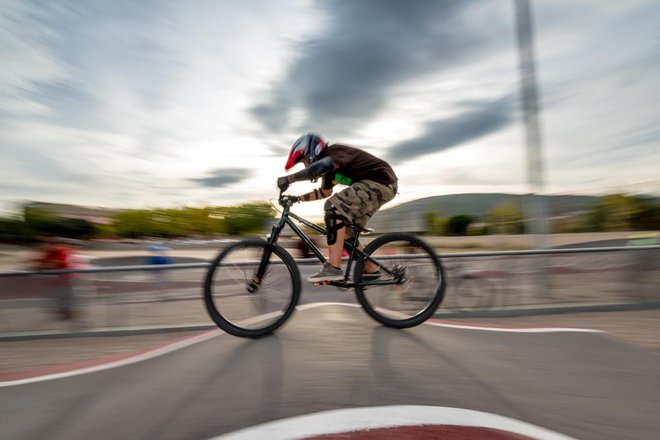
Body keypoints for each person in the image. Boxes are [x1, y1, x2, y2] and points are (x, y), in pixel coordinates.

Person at [277, 133, 398, 282]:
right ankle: (371, 269)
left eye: (304, 162)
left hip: (380, 181)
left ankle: (333, 268)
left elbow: (317, 169)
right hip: (379, 186)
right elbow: (324, 192)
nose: (307, 167)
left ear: (311, 153)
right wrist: (297, 198)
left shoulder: (334, 153)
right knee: (345, 235)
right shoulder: (330, 171)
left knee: (333, 206)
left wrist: (289, 179)